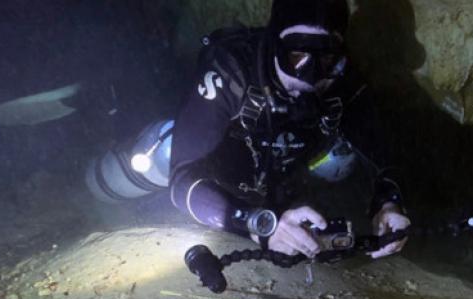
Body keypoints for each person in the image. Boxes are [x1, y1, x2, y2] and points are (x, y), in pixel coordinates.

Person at [168, 0, 410, 259]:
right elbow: (181, 181)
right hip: (222, 180)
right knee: (159, 155)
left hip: (292, 179)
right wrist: (258, 224)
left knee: (344, 161)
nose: (311, 75)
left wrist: (388, 202)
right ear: (274, 45)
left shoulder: (346, 81)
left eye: (327, 58)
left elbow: (387, 152)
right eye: (296, 57)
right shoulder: (231, 73)